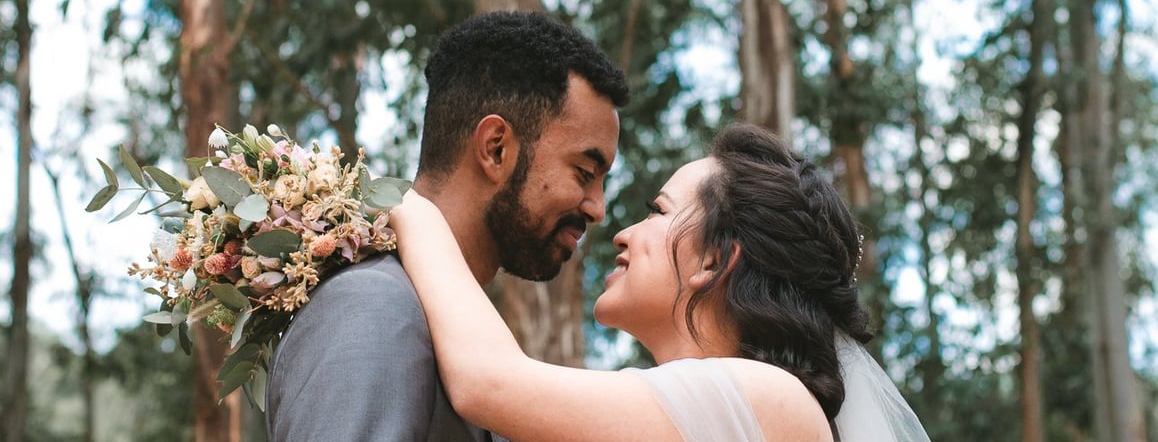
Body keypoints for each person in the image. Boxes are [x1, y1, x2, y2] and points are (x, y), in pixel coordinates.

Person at [391, 122, 931, 442]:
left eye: (658, 211)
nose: (622, 232)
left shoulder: (773, 400)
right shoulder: (699, 411)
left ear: (713, 261)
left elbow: (487, 382)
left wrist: (407, 205)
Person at [265, 11, 630, 442]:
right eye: (584, 173)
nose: (597, 208)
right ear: (495, 148)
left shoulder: (472, 344)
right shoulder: (372, 306)